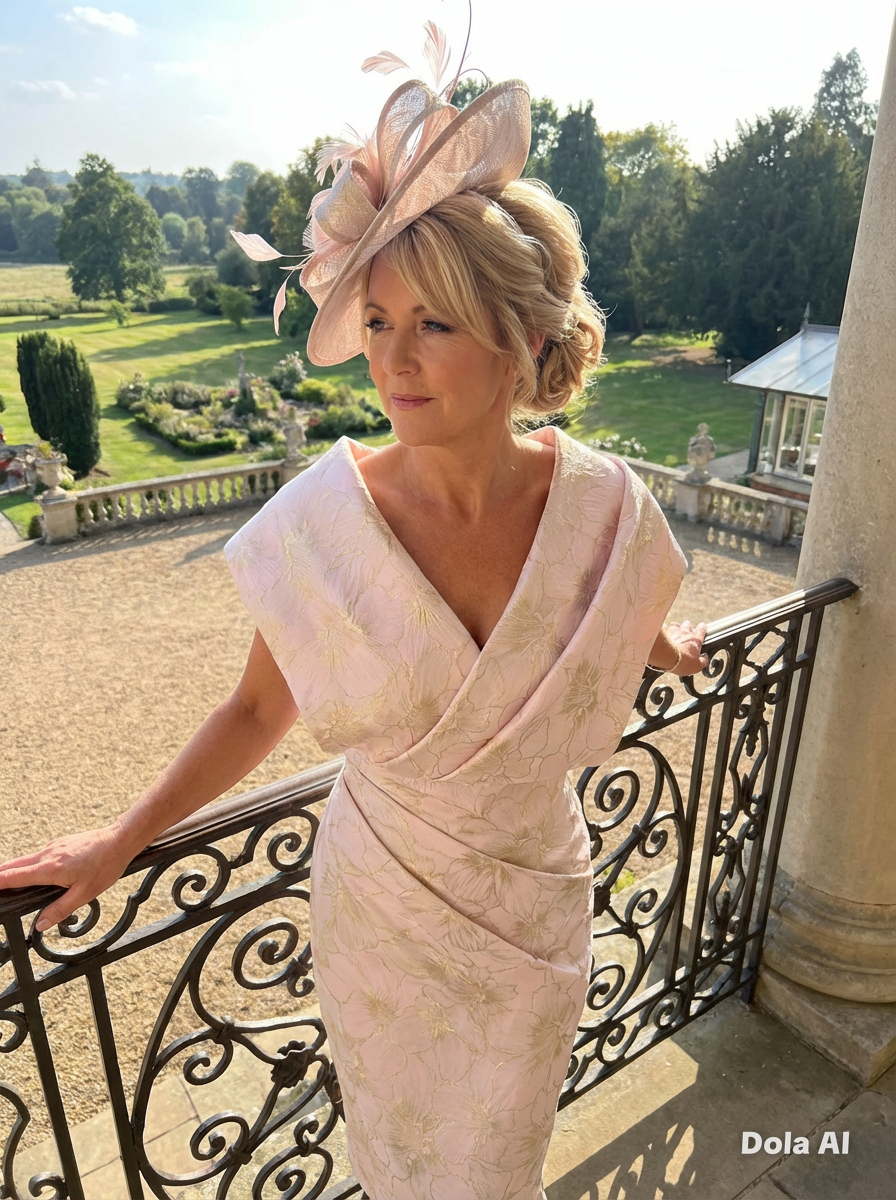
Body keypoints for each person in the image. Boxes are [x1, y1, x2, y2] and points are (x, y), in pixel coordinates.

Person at [0, 75, 707, 1200]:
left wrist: (649, 635)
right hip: (383, 914)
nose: (394, 359)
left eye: (432, 323)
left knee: (501, 1162)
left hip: (534, 905)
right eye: (377, 321)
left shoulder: (608, 513)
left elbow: (587, 609)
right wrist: (117, 842)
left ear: (521, 339)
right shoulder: (319, 529)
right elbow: (252, 712)